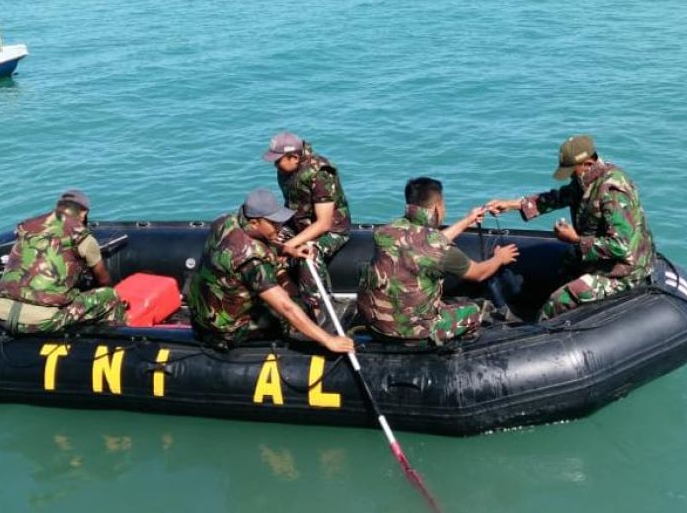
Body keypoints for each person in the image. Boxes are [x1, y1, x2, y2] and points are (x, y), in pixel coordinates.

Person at [488, 134, 655, 318]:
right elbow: (558, 197)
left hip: (623, 270)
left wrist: (575, 239)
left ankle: (535, 331)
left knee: (560, 299)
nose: (569, 177)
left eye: (571, 170)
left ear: (588, 164)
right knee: (556, 272)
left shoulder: (612, 191)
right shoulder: (585, 180)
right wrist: (512, 205)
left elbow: (621, 246)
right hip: (599, 258)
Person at [188, 188, 354, 354]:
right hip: (224, 332)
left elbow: (247, 242)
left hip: (200, 314)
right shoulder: (251, 261)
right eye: (274, 223)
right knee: (294, 311)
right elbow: (285, 307)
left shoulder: (225, 221)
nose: (280, 227)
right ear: (254, 222)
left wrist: (288, 250)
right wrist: (328, 340)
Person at [357, 177, 519, 345]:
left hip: (374, 325)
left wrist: (468, 220)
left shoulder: (385, 231)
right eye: (443, 206)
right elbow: (479, 273)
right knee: (473, 311)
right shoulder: (440, 248)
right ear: (436, 208)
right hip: (414, 334)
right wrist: (500, 258)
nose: (445, 211)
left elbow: (423, 243)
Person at [0, 189, 127, 334]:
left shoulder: (27, 227)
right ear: (83, 214)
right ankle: (115, 339)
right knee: (109, 296)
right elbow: (103, 279)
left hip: (2, 314)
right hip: (41, 322)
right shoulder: (82, 237)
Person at [262, 132, 351, 322]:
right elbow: (291, 205)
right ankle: (292, 297)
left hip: (331, 230)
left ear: (294, 157)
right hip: (297, 224)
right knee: (266, 246)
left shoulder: (320, 174)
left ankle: (321, 310)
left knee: (308, 255)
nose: (275, 165)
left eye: (278, 160)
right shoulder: (285, 171)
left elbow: (324, 222)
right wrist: (279, 238)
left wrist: (290, 245)